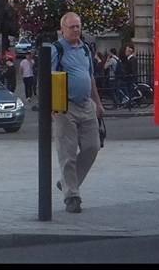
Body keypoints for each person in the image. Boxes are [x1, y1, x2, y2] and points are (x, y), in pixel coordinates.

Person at [50, 12, 104, 214]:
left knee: (93, 146)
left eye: (78, 26)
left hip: (86, 105)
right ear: (62, 29)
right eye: (72, 27)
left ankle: (67, 183)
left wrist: (97, 103)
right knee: (68, 153)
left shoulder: (84, 49)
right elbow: (48, 78)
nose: (76, 30)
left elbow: (90, 77)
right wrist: (51, 107)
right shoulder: (57, 50)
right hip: (65, 106)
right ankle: (72, 196)